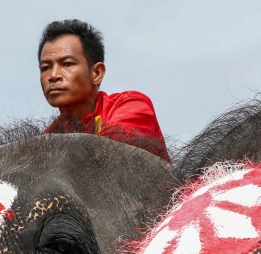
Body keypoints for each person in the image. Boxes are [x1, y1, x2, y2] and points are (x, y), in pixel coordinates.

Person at [38, 19, 169, 161]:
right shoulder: (47, 138)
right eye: (45, 67)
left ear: (97, 73)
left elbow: (112, 154)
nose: (53, 75)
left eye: (67, 64)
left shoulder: (131, 105)